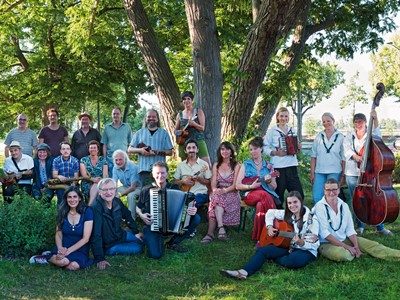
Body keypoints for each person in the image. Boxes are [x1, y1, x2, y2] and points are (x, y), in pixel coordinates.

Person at [220, 191, 319, 279]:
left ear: (301, 202)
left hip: (306, 250)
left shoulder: (311, 221)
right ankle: (243, 272)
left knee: (291, 261)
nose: (292, 205)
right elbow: (270, 212)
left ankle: (272, 257)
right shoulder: (288, 214)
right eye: (289, 203)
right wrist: (270, 227)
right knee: (262, 251)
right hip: (289, 245)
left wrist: (301, 243)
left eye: (295, 202)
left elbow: (315, 244)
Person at [314, 178, 400, 262]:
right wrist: (346, 246)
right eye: (328, 190)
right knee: (344, 255)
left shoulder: (344, 205)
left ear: (339, 190)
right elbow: (325, 234)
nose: (331, 193)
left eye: (334, 189)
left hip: (344, 239)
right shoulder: (319, 207)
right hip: (326, 243)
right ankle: (352, 252)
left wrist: (356, 246)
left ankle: (397, 255)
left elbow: (350, 229)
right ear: (324, 191)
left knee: (372, 245)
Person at [137, 161, 200, 258]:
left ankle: (172, 242)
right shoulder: (146, 189)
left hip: (172, 226)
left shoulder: (174, 188)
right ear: (153, 174)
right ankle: (155, 240)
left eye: (162, 173)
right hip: (152, 226)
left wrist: (192, 209)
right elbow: (138, 208)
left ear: (167, 174)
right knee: (155, 255)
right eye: (157, 173)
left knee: (195, 218)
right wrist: (142, 215)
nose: (160, 175)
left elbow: (184, 205)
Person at [343, 111, 392, 236]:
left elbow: (378, 136)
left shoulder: (371, 134)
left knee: (374, 199)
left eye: (360, 121)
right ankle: (359, 226)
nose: (358, 124)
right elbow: (347, 150)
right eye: (356, 122)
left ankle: (380, 227)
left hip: (369, 173)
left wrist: (375, 118)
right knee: (357, 200)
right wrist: (356, 157)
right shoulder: (350, 136)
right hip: (353, 173)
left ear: (365, 122)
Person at [29, 187, 94, 270]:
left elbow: (86, 239)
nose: (72, 200)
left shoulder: (87, 212)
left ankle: (53, 256)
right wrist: (60, 248)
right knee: (63, 262)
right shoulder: (63, 211)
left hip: (80, 248)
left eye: (75, 196)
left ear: (80, 198)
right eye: (69, 197)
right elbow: (58, 233)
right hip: (64, 246)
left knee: (73, 266)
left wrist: (68, 251)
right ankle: (47, 257)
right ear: (66, 199)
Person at [91, 178, 143, 270]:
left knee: (142, 240)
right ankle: (113, 250)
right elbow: (96, 234)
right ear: (99, 191)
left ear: (115, 189)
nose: (109, 192)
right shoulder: (96, 208)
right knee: (139, 248)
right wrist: (100, 259)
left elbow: (127, 215)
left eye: (111, 189)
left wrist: (135, 231)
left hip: (120, 234)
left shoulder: (116, 201)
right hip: (109, 245)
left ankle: (130, 240)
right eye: (105, 189)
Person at [235, 137, 278, 244]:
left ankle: (259, 238)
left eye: (255, 148)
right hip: (249, 194)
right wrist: (250, 187)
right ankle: (275, 227)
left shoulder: (269, 166)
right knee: (264, 195)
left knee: (260, 205)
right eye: (250, 149)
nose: (252, 151)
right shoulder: (246, 164)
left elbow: (274, 187)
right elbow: (237, 185)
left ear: (261, 149)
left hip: (265, 195)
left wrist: (268, 182)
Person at [200, 141, 241, 243]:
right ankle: (221, 229)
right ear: (220, 151)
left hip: (231, 192)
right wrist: (214, 189)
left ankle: (210, 234)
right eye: (222, 149)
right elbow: (213, 182)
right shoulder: (216, 165)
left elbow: (235, 185)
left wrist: (225, 190)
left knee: (214, 203)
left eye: (227, 149)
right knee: (215, 197)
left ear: (231, 151)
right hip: (219, 191)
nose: (225, 151)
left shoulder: (236, 165)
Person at [263, 107, 304, 205]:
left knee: (299, 194)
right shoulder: (272, 131)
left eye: (286, 116)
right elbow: (264, 147)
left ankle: (296, 217)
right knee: (278, 195)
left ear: (288, 118)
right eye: (281, 116)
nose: (283, 118)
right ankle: (279, 218)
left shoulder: (292, 129)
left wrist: (298, 147)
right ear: (277, 117)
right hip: (278, 167)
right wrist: (275, 153)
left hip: (292, 165)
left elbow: (295, 145)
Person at [128, 109, 174, 186]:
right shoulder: (139, 133)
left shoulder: (164, 133)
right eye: (149, 116)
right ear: (145, 118)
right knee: (145, 195)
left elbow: (170, 152)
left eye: (153, 116)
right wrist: (140, 150)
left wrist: (157, 152)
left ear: (157, 119)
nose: (151, 118)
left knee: (160, 194)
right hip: (144, 170)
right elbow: (129, 149)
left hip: (160, 171)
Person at [310, 112, 345, 203]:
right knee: (317, 197)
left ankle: (332, 216)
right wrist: (312, 173)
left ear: (333, 121)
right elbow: (313, 156)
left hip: (334, 171)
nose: (326, 123)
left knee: (331, 197)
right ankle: (319, 216)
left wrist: (342, 175)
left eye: (328, 121)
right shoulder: (319, 137)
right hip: (320, 172)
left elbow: (344, 158)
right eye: (324, 121)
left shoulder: (340, 137)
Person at [174, 138, 212, 210]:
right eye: (189, 148)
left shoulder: (204, 164)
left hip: (200, 194)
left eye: (194, 147)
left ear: (197, 150)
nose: (191, 150)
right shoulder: (181, 165)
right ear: (185, 151)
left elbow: (208, 181)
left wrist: (199, 179)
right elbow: (175, 181)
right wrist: (183, 181)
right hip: (185, 194)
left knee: (190, 204)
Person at [175, 91, 210, 166]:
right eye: (184, 99)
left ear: (192, 100)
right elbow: (175, 131)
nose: (186, 101)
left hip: (198, 140)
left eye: (188, 99)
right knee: (186, 166)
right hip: (184, 142)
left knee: (207, 165)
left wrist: (194, 124)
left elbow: (202, 128)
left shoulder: (198, 111)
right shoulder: (180, 115)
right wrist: (180, 132)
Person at [101, 107, 132, 174]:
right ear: (112, 115)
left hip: (124, 159)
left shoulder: (127, 127)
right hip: (110, 159)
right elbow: (104, 144)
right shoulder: (107, 128)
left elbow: (131, 144)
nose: (115, 115)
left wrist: (127, 155)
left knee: (126, 180)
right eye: (114, 114)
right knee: (111, 180)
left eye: (117, 114)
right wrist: (104, 158)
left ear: (121, 115)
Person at [112, 150, 140, 219]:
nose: (118, 162)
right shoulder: (115, 168)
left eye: (120, 159)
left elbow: (133, 187)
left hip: (138, 187)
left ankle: (131, 220)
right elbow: (114, 184)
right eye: (116, 160)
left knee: (130, 196)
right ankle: (117, 216)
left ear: (125, 159)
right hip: (126, 186)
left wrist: (120, 194)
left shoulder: (132, 166)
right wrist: (113, 192)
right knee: (112, 193)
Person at [80, 140, 109, 205]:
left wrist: (101, 181)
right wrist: (93, 180)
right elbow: (84, 175)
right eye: (91, 148)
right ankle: (90, 206)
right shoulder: (83, 160)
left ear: (98, 149)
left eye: (94, 148)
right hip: (87, 182)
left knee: (100, 187)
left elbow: (105, 175)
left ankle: (90, 207)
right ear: (88, 149)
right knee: (97, 186)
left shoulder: (103, 160)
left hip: (101, 182)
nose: (93, 149)